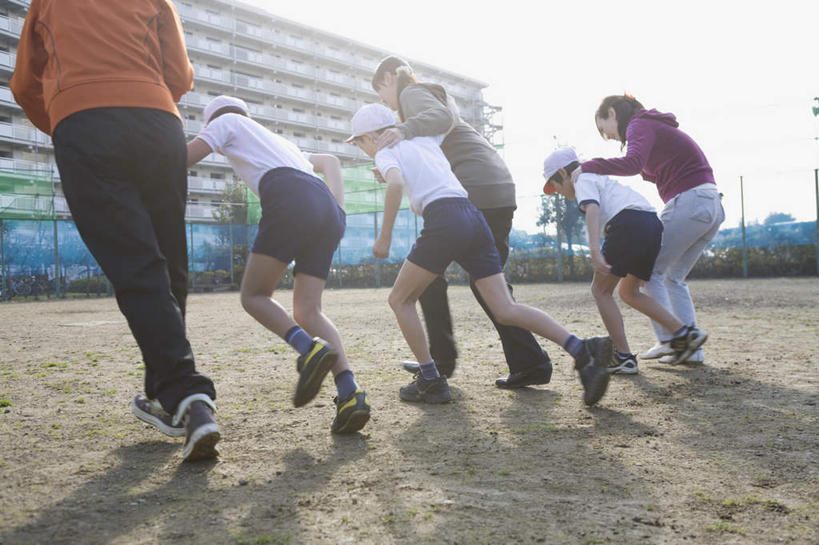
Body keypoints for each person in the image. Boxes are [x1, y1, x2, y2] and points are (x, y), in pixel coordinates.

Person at [11, 0, 219, 461]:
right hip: (157, 122)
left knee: (137, 264)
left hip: (85, 123)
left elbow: (25, 84)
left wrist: (68, 118)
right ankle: (169, 394)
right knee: (169, 262)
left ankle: (187, 394)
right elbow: (180, 75)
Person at [348, 103, 612, 406]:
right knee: (505, 308)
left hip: (444, 217)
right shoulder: (421, 140)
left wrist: (384, 237)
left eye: (358, 142)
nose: (361, 148)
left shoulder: (384, 150)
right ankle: (583, 350)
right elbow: (439, 128)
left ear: (370, 137)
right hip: (472, 216)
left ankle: (430, 379)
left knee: (399, 299)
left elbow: (395, 183)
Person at [186, 96, 370, 434]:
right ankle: (350, 393)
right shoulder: (277, 140)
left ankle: (307, 348)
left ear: (213, 121)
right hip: (326, 208)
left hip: (289, 195)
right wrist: (339, 209)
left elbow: (184, 158)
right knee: (308, 310)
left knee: (254, 296)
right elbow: (329, 161)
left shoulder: (226, 123)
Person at [370, 56, 552, 389]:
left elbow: (443, 117)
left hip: (474, 189)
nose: (386, 103)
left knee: (432, 278)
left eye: (382, 93)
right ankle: (530, 362)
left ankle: (439, 362)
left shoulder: (411, 94)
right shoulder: (421, 102)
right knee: (485, 284)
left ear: (388, 78)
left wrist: (402, 129)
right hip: (493, 186)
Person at [581, 95, 724, 364]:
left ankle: (672, 341)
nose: (608, 136)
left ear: (612, 113)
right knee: (672, 277)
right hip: (709, 203)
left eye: (604, 128)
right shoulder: (652, 125)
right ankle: (690, 348)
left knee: (647, 273)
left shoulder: (639, 123)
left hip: (690, 200)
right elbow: (645, 166)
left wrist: (592, 165)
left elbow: (632, 163)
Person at [543, 148, 708, 373]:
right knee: (629, 292)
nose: (558, 191)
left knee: (600, 291)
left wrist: (594, 250)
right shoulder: (598, 176)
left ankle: (623, 357)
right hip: (651, 224)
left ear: (563, 172)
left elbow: (592, 208)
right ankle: (684, 333)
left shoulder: (580, 177)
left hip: (627, 224)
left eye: (555, 183)